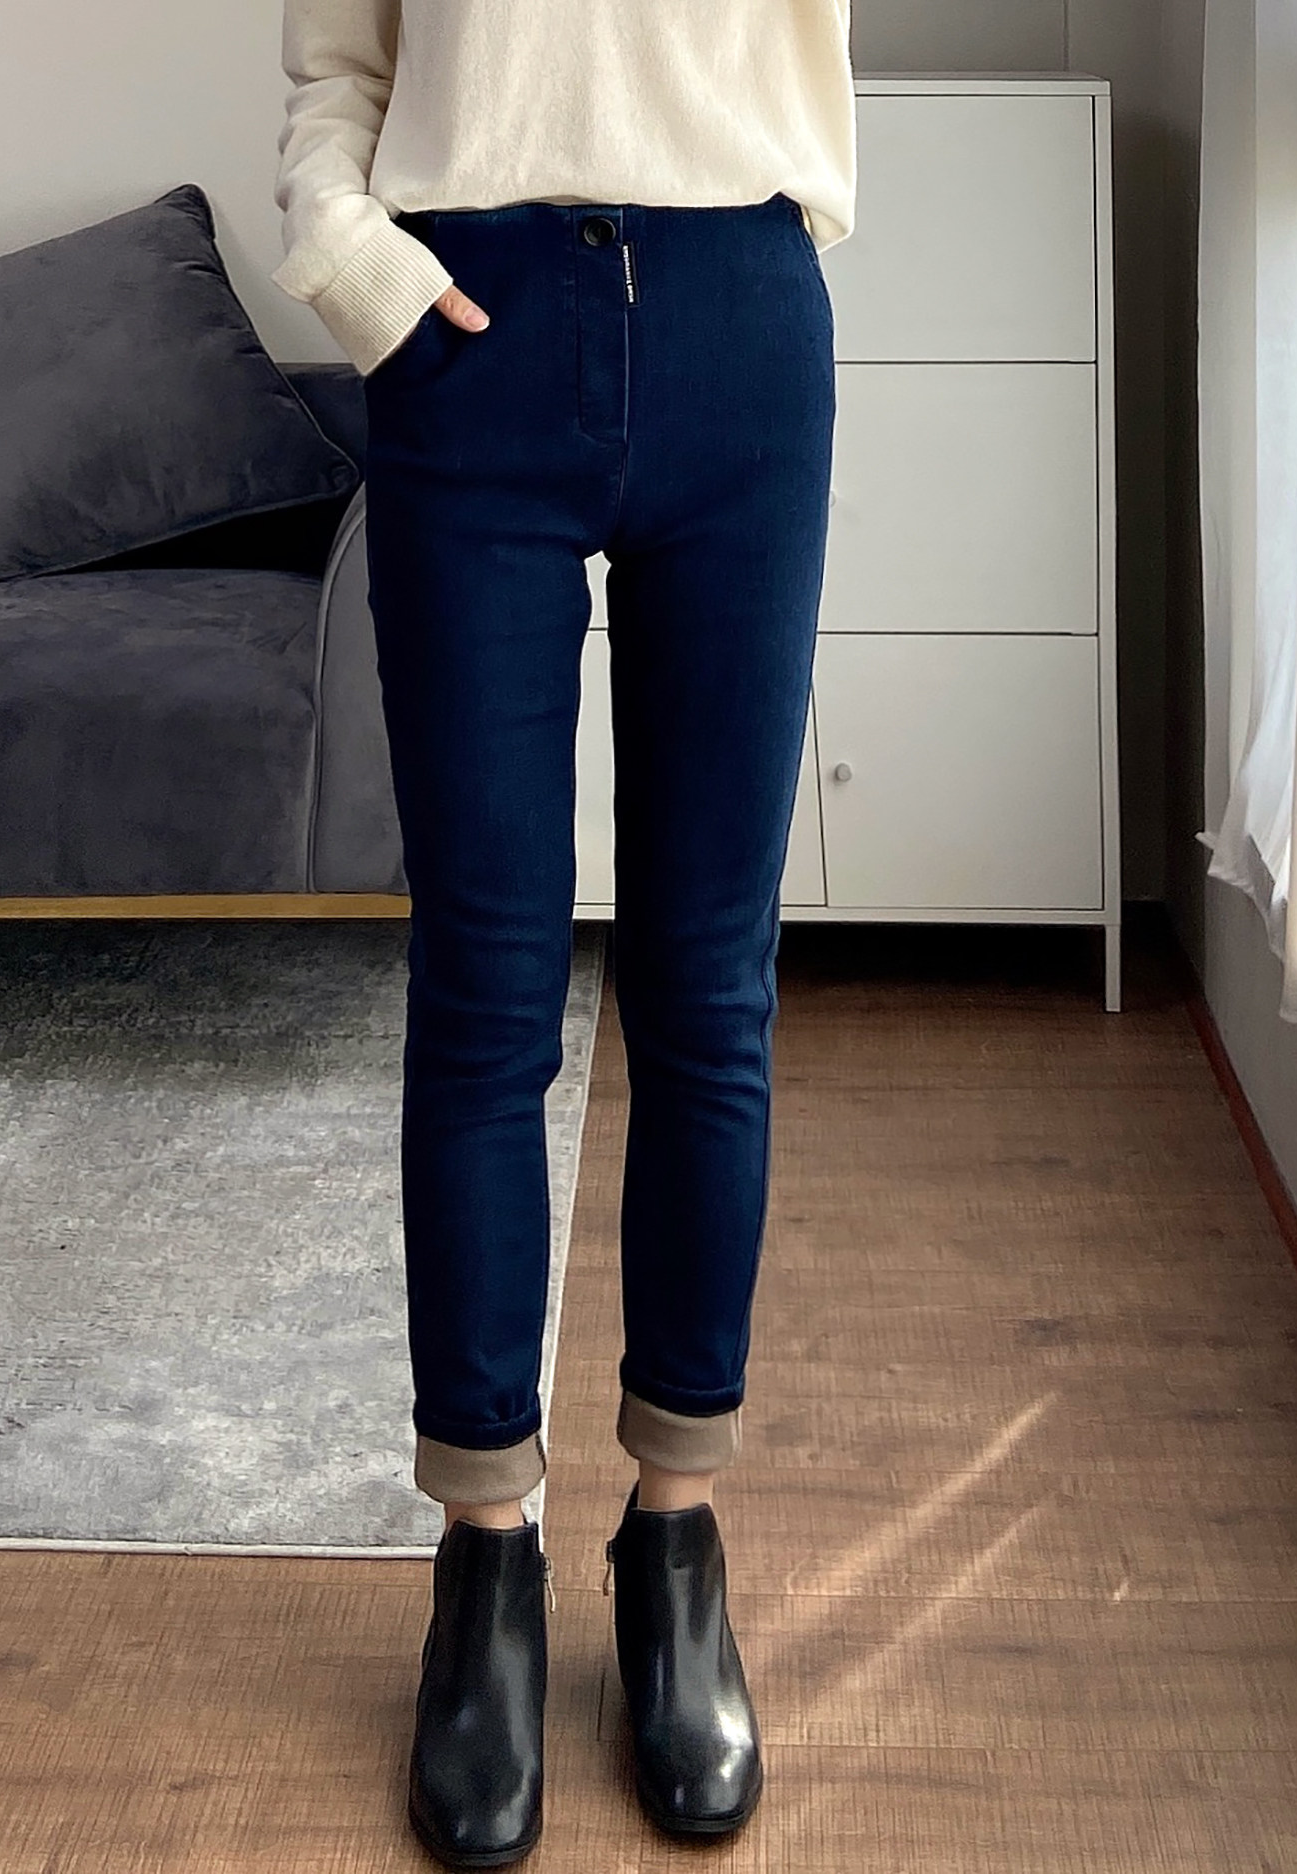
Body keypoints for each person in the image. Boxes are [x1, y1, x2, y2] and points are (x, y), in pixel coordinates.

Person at [273, 3, 855, 1865]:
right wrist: (352, 254)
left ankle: (675, 1540)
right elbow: (336, 68)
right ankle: (486, 1564)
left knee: (707, 982)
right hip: (470, 333)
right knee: (485, 993)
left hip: (737, 313)